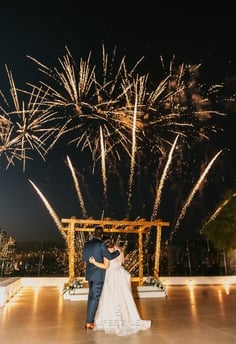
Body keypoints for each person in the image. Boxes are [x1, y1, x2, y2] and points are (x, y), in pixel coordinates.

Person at [89, 242, 152, 336]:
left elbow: (106, 266)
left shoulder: (106, 252)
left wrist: (94, 262)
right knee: (124, 298)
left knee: (111, 297)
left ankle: (113, 321)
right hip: (120, 275)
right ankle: (127, 319)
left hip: (111, 276)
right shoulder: (120, 250)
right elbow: (122, 262)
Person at [82, 226, 120, 330]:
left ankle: (89, 319)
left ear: (93, 233)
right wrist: (118, 252)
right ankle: (89, 322)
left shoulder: (87, 244)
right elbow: (110, 256)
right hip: (98, 275)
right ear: (101, 235)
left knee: (91, 297)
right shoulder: (101, 244)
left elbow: (84, 259)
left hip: (90, 275)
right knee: (95, 298)